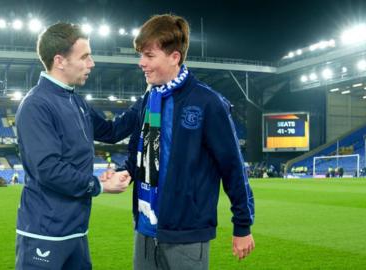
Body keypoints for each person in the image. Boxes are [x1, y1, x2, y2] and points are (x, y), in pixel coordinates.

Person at [121, 14, 255, 269]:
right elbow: (140, 152)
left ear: (174, 57)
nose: (141, 63)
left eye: (149, 56)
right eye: (141, 55)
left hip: (186, 234)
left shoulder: (207, 102)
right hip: (146, 230)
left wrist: (242, 226)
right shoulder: (150, 98)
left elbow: (232, 166)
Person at [15, 22, 140, 270]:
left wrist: (150, 95)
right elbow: (48, 169)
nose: (91, 63)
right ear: (60, 61)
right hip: (45, 233)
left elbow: (111, 131)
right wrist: (99, 185)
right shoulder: (36, 105)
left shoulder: (76, 101)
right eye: (84, 57)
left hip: (76, 230)